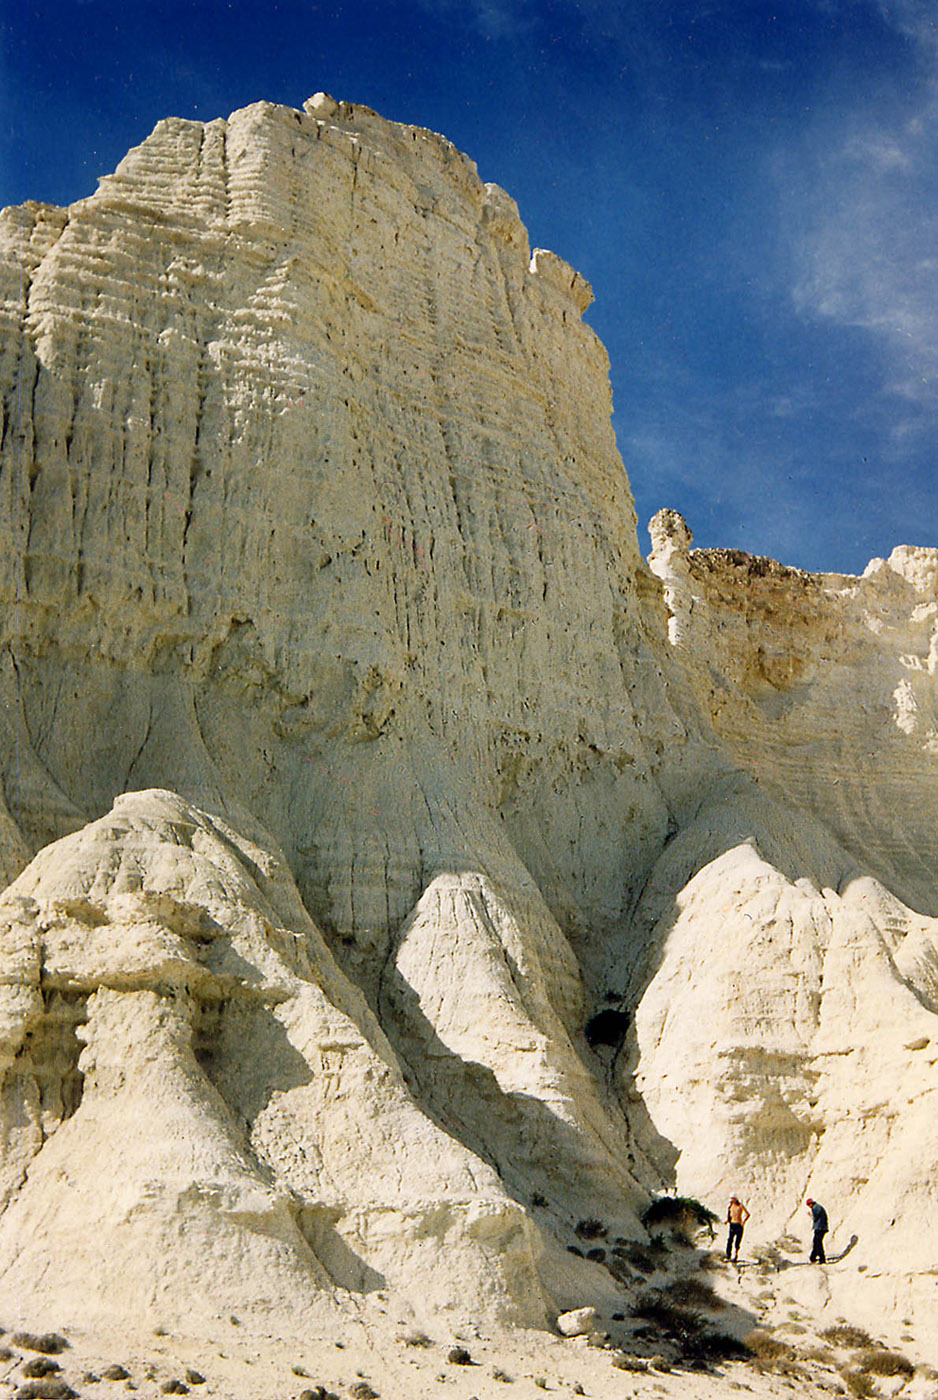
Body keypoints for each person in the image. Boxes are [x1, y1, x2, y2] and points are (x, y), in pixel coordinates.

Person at [725, 1195, 750, 1261]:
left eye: (733, 1199)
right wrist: (727, 1221)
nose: (731, 1200)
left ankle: (736, 1255)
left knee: (737, 1242)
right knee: (730, 1240)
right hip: (732, 1224)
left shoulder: (740, 1206)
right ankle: (728, 1256)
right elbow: (729, 1214)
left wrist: (743, 1222)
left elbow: (748, 1214)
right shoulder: (730, 1206)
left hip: (739, 1225)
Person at [806, 1198, 828, 1263]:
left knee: (818, 1243)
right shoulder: (817, 1207)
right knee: (816, 1242)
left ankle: (822, 1258)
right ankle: (813, 1257)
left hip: (820, 1228)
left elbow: (815, 1217)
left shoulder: (816, 1208)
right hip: (821, 1227)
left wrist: (811, 1215)